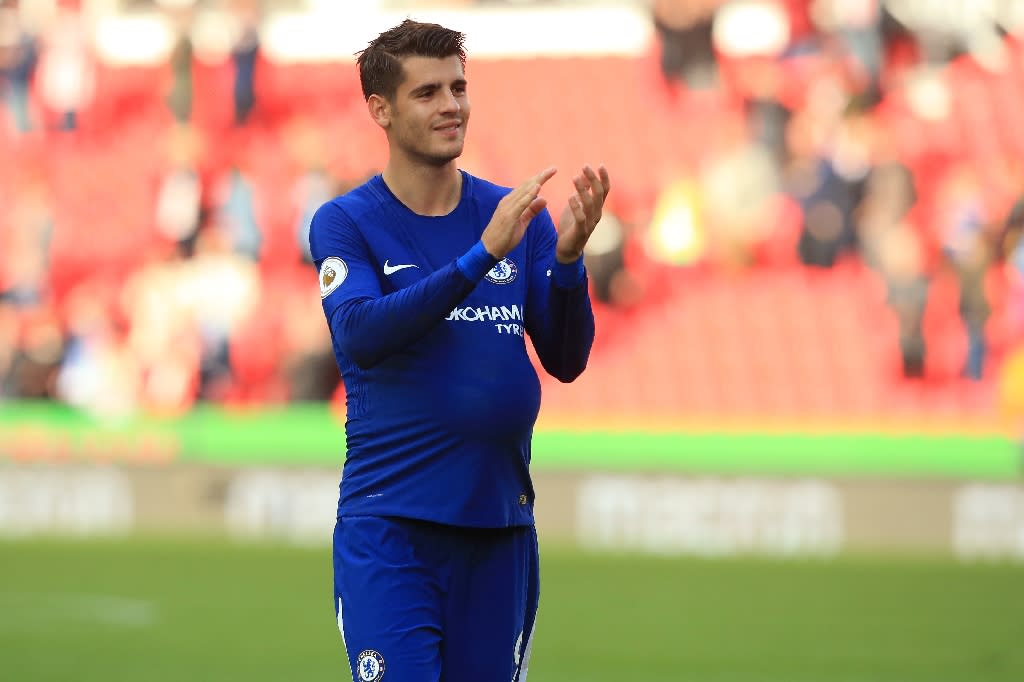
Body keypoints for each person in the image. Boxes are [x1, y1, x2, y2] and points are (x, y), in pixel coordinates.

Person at [308, 19, 609, 682]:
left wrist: (565, 262)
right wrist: (480, 257)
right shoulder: (347, 222)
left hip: (499, 531)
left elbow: (566, 358)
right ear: (380, 110)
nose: (451, 105)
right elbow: (360, 332)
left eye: (458, 87)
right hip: (391, 531)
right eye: (427, 93)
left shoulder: (513, 217)